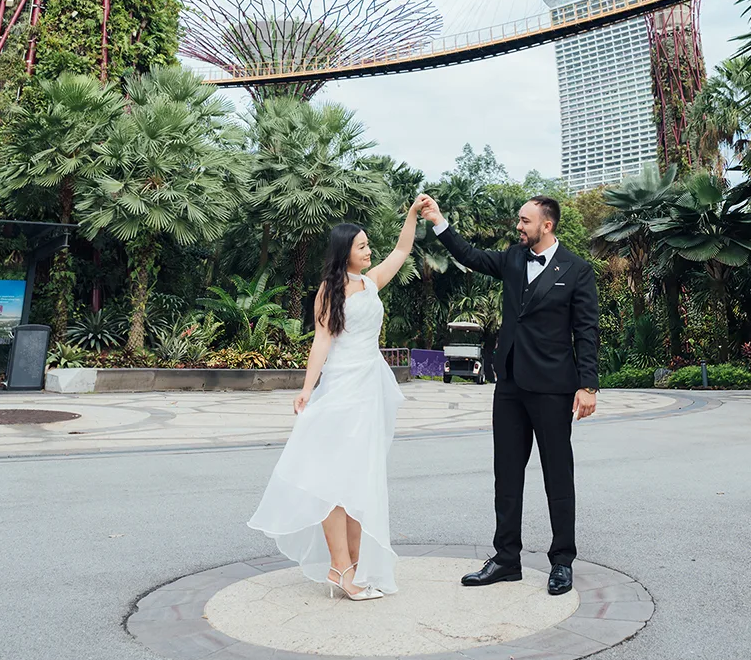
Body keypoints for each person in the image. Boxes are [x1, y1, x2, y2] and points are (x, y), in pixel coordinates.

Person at [417, 192, 599, 597]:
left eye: (525, 220)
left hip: (554, 388)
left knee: (558, 476)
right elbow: (471, 255)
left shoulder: (578, 270)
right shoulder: (513, 259)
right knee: (507, 475)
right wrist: (438, 221)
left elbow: (586, 332)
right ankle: (506, 559)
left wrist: (587, 385)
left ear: (546, 225)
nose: (518, 226)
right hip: (511, 385)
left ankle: (562, 561)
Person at [247, 202, 421, 599]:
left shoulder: (372, 282)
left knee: (360, 480)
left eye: (368, 245)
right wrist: (308, 388)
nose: (369, 251)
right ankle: (341, 568)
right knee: (334, 481)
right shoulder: (329, 290)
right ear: (345, 251)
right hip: (342, 389)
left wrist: (410, 214)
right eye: (362, 246)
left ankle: (351, 570)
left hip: (369, 387)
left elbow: (401, 251)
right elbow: (322, 340)